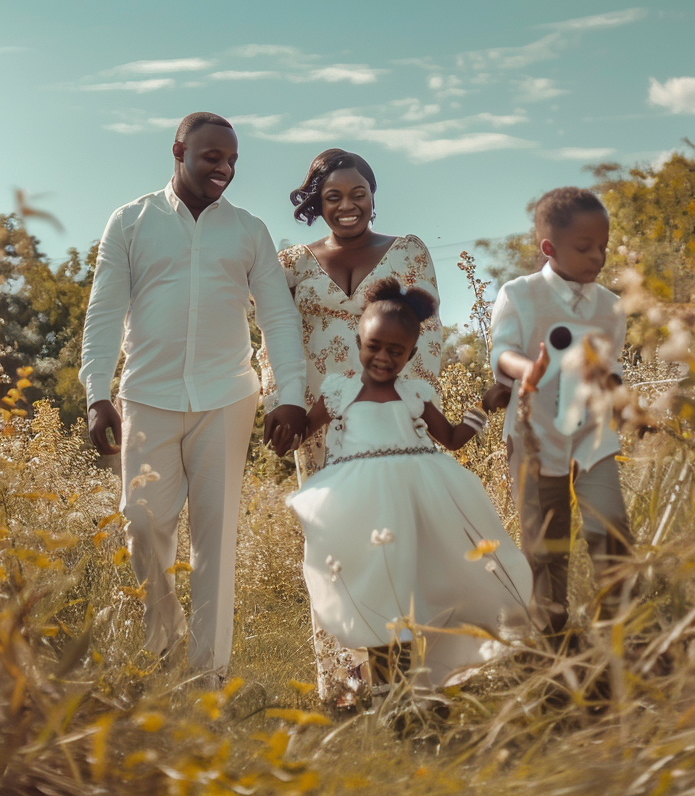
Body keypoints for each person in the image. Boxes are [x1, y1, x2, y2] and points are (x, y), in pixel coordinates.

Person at [79, 112, 307, 681]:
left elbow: (278, 318)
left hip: (227, 398)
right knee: (142, 522)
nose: (225, 168)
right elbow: (104, 311)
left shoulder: (249, 230)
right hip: (146, 396)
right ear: (179, 150)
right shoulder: (130, 222)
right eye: (213, 157)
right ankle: (162, 640)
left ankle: (208, 674)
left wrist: (291, 396)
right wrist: (95, 391)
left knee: (215, 540)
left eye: (232, 160)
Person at [258, 148, 448, 702]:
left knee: (393, 543)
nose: (347, 206)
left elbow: (429, 334)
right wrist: (282, 405)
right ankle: (345, 687)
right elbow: (277, 337)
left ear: (373, 195)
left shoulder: (407, 252)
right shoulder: (291, 263)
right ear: (316, 201)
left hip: (391, 420)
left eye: (358, 193)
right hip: (320, 426)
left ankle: (405, 683)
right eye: (333, 196)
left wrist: (411, 401)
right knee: (333, 545)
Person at [283, 278, 533, 692]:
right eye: (373, 346)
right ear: (358, 340)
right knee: (378, 593)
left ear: (411, 354)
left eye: (395, 352)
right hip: (361, 505)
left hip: (419, 499)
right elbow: (303, 432)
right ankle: (386, 693)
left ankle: (419, 689)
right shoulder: (338, 393)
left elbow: (451, 439)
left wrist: (483, 407)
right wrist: (284, 429)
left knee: (418, 588)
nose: (382, 358)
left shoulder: (415, 394)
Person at [490, 186, 632, 637]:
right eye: (584, 247)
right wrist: (527, 369)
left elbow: (611, 367)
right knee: (545, 540)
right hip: (536, 435)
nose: (598, 257)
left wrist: (625, 403)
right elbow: (501, 352)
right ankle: (551, 635)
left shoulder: (610, 306)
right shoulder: (520, 295)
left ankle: (617, 627)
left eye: (603, 246)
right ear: (549, 248)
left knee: (610, 527)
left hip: (593, 436)